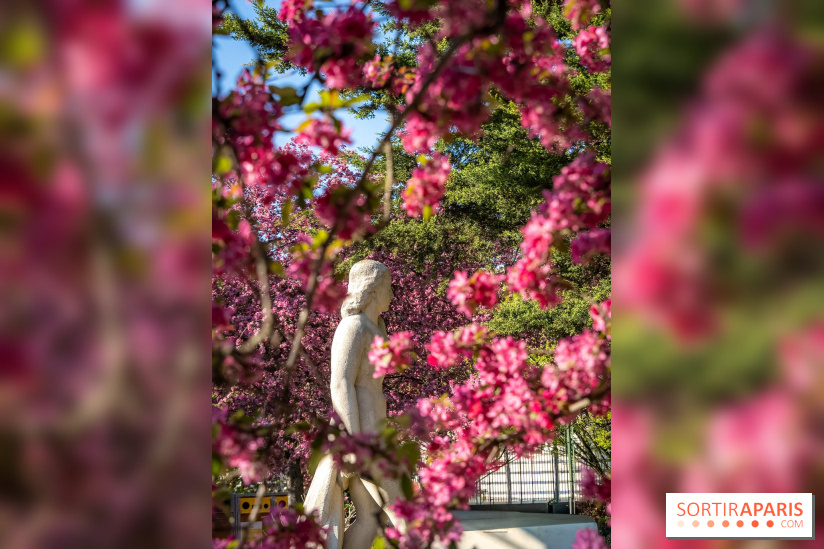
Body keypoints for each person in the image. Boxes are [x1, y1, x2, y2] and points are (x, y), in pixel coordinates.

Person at [304, 260, 404, 549]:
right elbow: (340, 382)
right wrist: (352, 440)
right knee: (404, 512)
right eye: (387, 287)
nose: (392, 294)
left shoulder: (376, 328)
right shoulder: (353, 326)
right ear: (371, 288)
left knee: (372, 519)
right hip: (363, 431)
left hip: (376, 424)